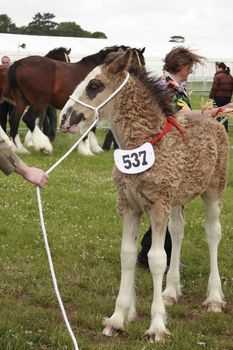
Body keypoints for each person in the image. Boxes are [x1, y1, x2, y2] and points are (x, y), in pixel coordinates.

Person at [137, 46, 225, 269]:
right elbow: (179, 113)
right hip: (165, 148)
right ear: (181, 66)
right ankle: (155, 253)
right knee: (167, 203)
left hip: (171, 145)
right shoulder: (165, 86)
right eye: (189, 68)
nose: (191, 72)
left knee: (169, 203)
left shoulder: (172, 84)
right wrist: (208, 114)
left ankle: (153, 252)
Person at [209, 62, 233, 132]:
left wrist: (210, 98)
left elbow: (214, 89)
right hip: (227, 98)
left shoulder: (217, 76)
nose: (216, 69)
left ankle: (218, 129)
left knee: (217, 113)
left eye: (217, 68)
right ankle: (225, 129)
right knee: (226, 114)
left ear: (220, 68)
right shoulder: (230, 76)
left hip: (218, 98)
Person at [0, 55, 14, 133]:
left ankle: (13, 135)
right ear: (1, 63)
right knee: (2, 119)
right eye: (3, 62)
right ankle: (3, 136)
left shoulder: (13, 72)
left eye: (7, 62)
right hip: (2, 100)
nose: (5, 64)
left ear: (9, 63)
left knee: (12, 119)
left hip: (11, 99)